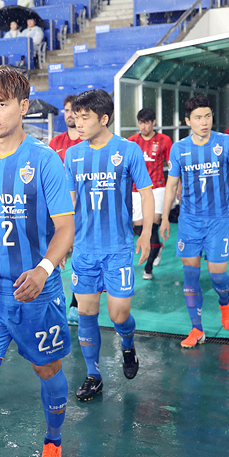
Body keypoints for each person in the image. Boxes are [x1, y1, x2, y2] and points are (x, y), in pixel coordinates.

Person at [0, 66, 74, 457]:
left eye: (3, 104)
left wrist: (44, 270)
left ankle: (53, 441)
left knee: (48, 370)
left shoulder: (45, 160)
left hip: (36, 293)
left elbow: (65, 227)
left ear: (23, 107)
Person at [64, 90, 153, 402]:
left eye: (84, 117)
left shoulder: (128, 150)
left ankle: (128, 346)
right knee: (86, 312)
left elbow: (146, 192)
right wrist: (62, 243)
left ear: (103, 119)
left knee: (118, 315)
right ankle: (94, 375)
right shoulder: (72, 155)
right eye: (76, 116)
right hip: (84, 249)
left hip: (118, 249)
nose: (77, 122)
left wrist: (146, 234)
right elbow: (69, 203)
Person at [160, 94, 229, 349]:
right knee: (190, 276)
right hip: (189, 221)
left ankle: (225, 303)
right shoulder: (179, 149)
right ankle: (197, 328)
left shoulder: (226, 142)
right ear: (187, 121)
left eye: (208, 116)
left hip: (219, 220)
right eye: (198, 117)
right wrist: (165, 217)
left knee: (217, 276)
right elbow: (171, 186)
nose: (204, 121)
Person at [128, 107, 172, 281]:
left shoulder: (164, 140)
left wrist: (177, 185)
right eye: (140, 123)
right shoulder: (132, 142)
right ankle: (157, 246)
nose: (143, 126)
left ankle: (148, 268)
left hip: (157, 187)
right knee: (139, 227)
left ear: (153, 123)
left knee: (152, 224)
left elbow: (172, 165)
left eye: (146, 123)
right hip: (136, 189)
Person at [48, 94, 81, 325]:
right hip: (58, 209)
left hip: (83, 210)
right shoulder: (55, 143)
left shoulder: (87, 143)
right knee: (55, 255)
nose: (70, 115)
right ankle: (54, 300)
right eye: (67, 110)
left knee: (78, 257)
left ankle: (76, 304)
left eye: (74, 111)